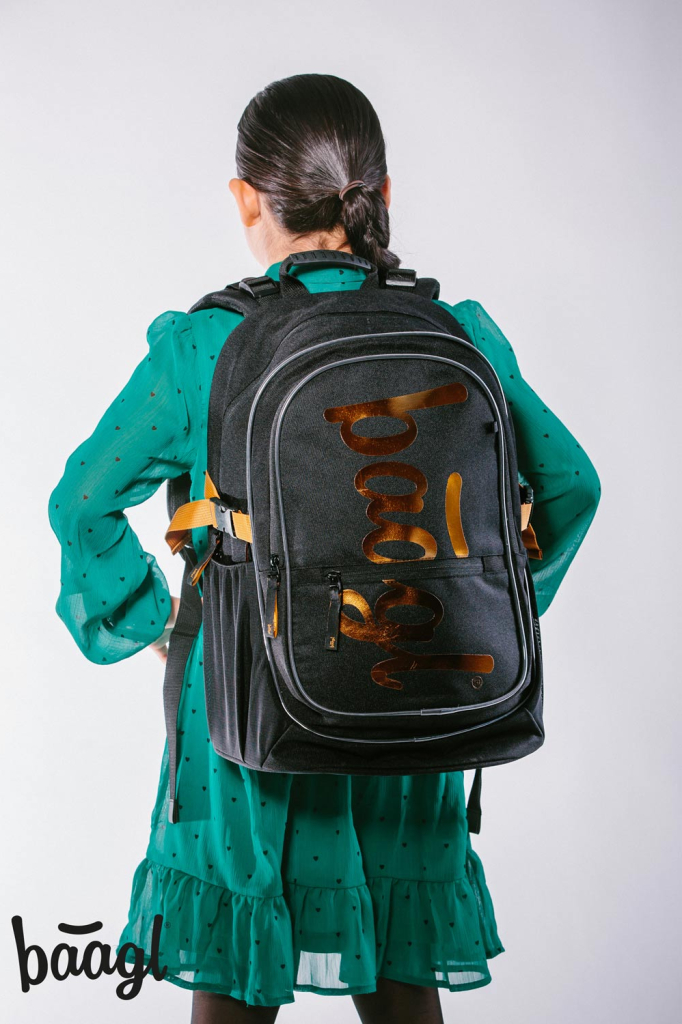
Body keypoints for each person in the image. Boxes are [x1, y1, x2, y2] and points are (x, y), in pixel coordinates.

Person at [48, 73, 601, 1023]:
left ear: (245, 200)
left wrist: (150, 625)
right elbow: (572, 486)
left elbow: (81, 502)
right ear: (381, 194)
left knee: (234, 988)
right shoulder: (457, 332)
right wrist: (483, 605)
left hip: (244, 714)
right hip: (416, 687)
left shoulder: (204, 348)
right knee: (403, 991)